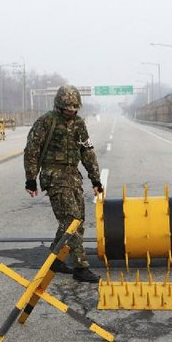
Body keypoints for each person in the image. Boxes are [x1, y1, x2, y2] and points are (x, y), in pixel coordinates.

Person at [24, 85, 103, 283]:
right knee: (71, 220)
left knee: (78, 220)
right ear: (59, 106)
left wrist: (95, 179)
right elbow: (32, 151)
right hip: (54, 177)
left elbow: (87, 152)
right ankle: (80, 267)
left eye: (74, 108)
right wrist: (31, 179)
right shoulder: (46, 122)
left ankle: (55, 258)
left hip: (73, 177)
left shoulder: (79, 124)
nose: (71, 111)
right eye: (68, 108)